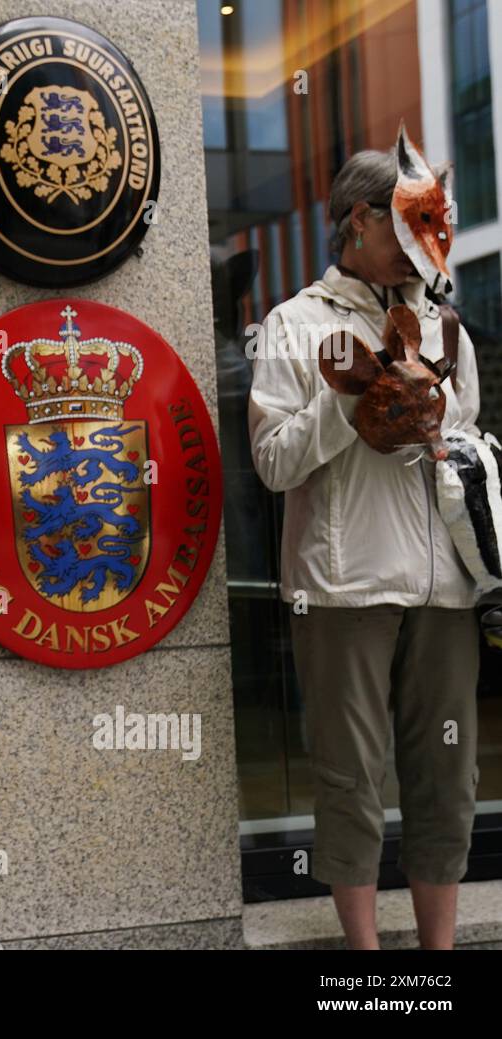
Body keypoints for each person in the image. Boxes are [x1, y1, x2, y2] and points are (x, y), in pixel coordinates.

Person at [248, 137, 480, 949]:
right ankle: (367, 965)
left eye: (436, 225)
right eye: (412, 224)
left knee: (448, 777)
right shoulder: (292, 323)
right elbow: (273, 462)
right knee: (350, 780)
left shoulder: (447, 326)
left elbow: (467, 438)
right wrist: (353, 402)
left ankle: (438, 963)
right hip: (342, 587)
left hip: (445, 588)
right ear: (359, 219)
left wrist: (445, 436)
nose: (427, 243)